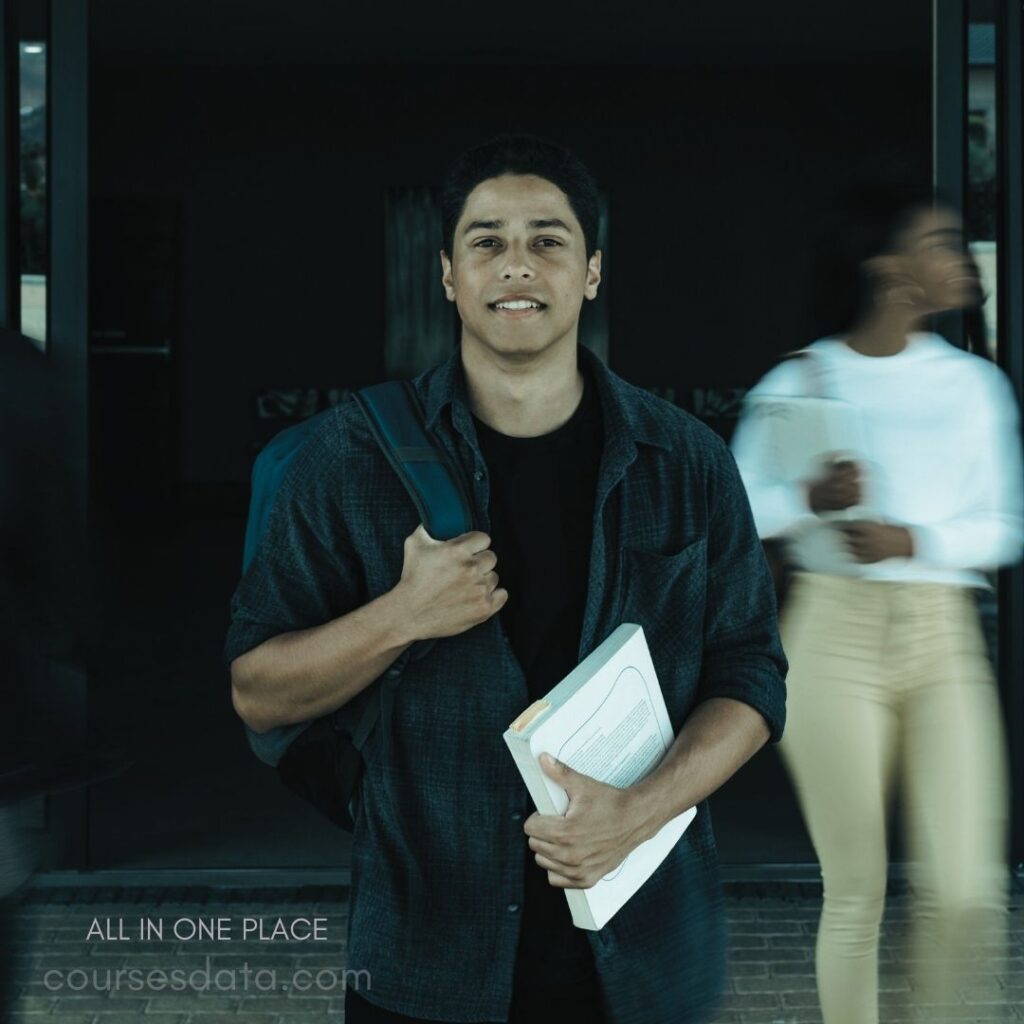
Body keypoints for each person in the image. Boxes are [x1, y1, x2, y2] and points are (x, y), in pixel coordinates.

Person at [226, 135, 787, 1024]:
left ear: (592, 271)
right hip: (426, 953)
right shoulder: (344, 462)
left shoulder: (688, 462)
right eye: (486, 241)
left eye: (548, 240)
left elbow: (751, 673)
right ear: (448, 275)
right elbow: (258, 691)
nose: (515, 264)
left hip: (641, 951)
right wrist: (401, 615)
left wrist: (637, 810)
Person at [730, 185, 1024, 1024]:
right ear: (890, 269)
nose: (963, 259)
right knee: (856, 888)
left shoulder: (976, 389)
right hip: (831, 636)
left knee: (969, 889)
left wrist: (914, 543)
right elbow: (738, 510)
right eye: (943, 242)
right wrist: (808, 500)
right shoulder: (799, 378)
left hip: (943, 642)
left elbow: (1005, 526)